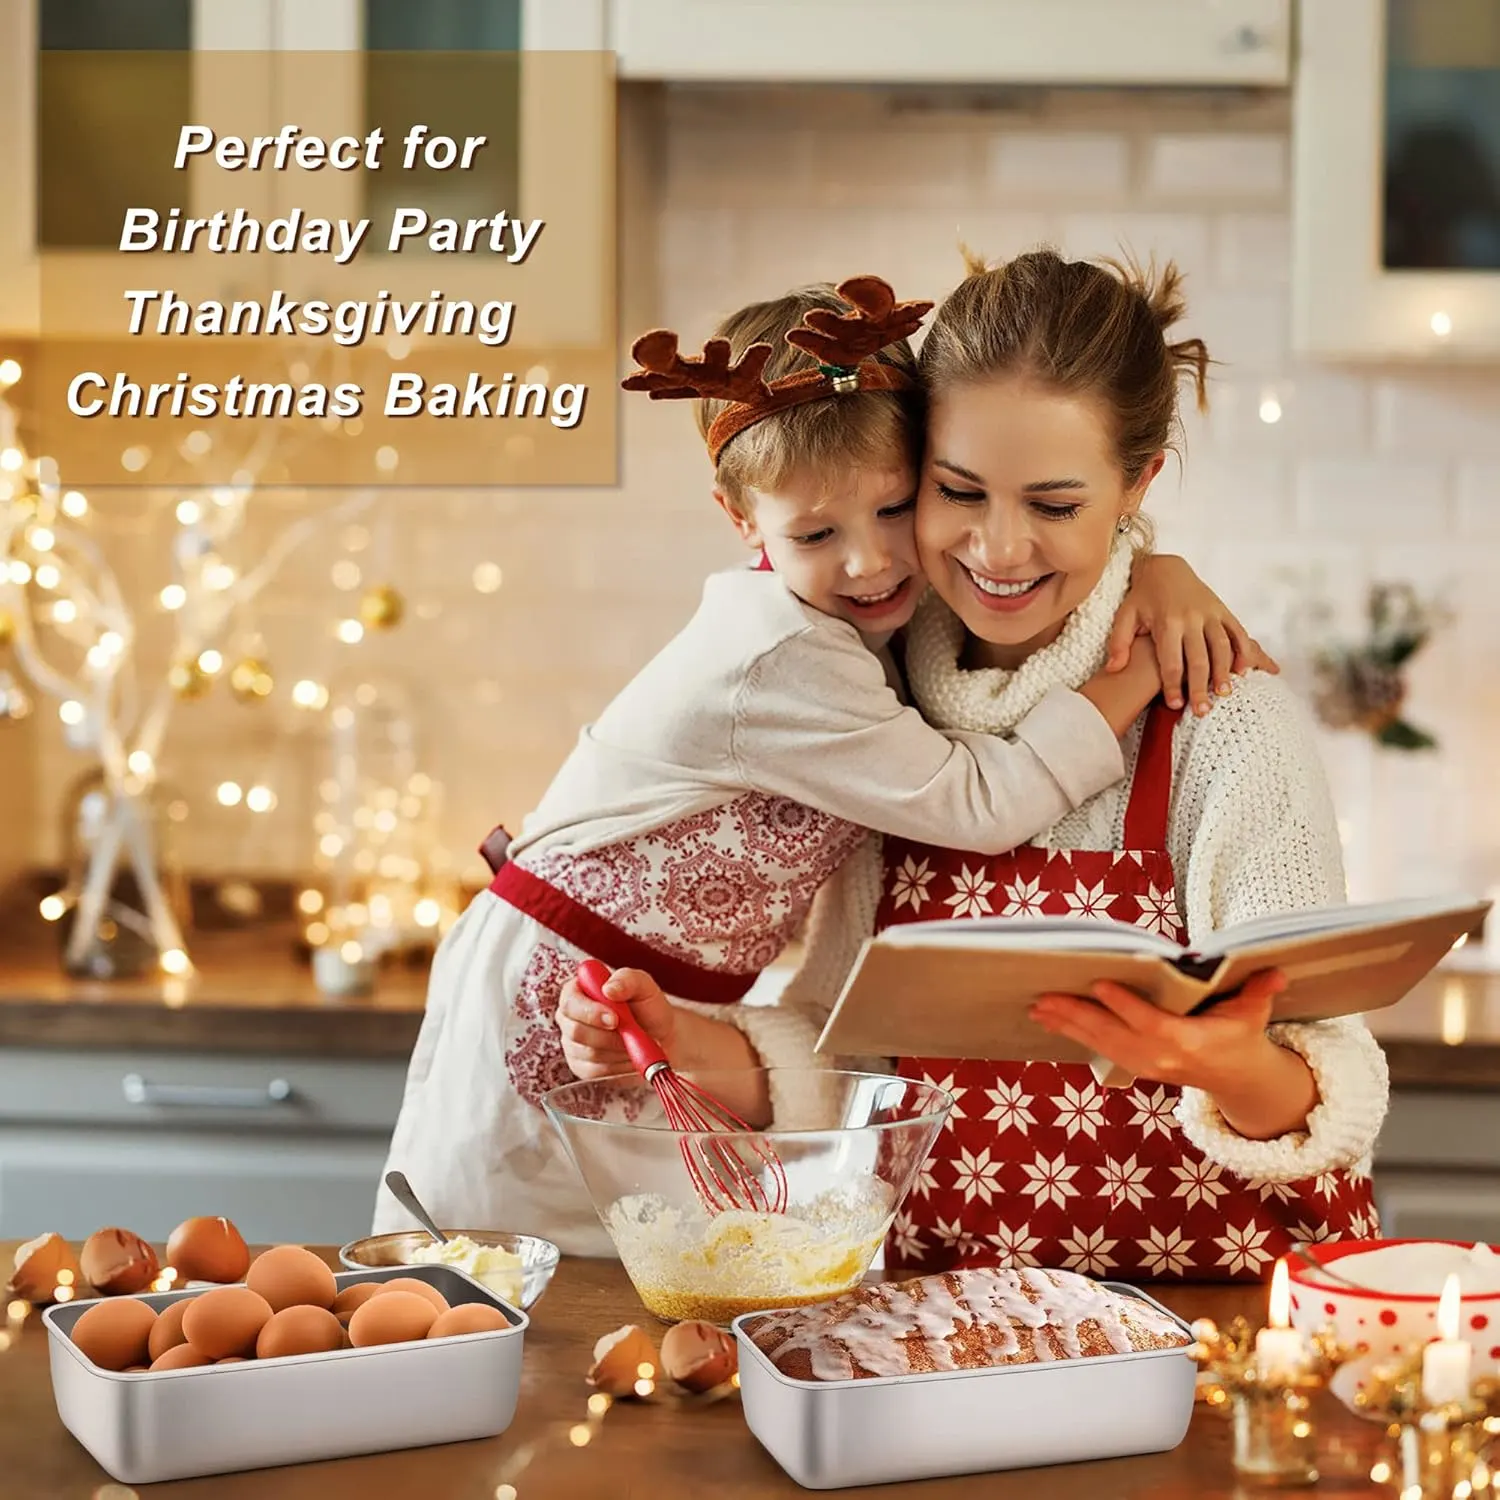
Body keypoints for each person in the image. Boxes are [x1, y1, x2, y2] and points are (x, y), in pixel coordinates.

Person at [374, 275, 1268, 1254]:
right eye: (817, 534)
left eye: (896, 510)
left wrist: (1156, 569)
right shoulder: (780, 657)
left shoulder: (853, 620)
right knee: (502, 1265)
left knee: (647, 1269)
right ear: (739, 521)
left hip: (658, 1000)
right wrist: (1137, 674)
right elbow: (976, 803)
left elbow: (1036, 560)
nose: (873, 563)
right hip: (560, 989)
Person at [560, 252, 1387, 1282]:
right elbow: (843, 1056)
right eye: (957, 491)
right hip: (937, 1316)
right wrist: (691, 1046)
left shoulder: (1221, 717)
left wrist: (1233, 1068)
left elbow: (1331, 1076)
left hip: (1214, 1323)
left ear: (1137, 484)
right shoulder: (874, 702)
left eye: (1053, 504)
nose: (999, 548)